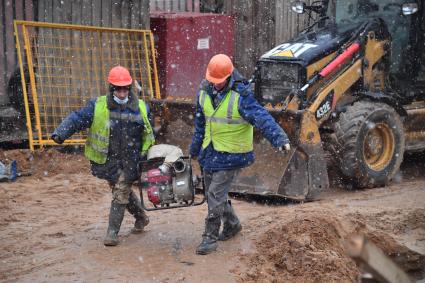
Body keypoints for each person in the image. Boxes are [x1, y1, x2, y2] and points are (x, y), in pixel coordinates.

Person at [190, 54, 291, 255]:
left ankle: (209, 238)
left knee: (215, 194)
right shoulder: (203, 93)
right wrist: (194, 148)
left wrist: (279, 138)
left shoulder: (241, 96)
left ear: (229, 77)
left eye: (220, 82)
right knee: (213, 193)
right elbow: (201, 125)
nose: (216, 85)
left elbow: (262, 117)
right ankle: (232, 224)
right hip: (211, 152)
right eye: (213, 82)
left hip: (233, 155)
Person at [51, 66, 155, 246]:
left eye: (125, 89)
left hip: (131, 161)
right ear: (111, 88)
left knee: (120, 192)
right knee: (120, 190)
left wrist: (145, 156)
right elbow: (77, 118)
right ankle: (141, 217)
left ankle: (112, 233)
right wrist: (61, 132)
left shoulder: (141, 108)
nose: (122, 93)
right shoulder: (98, 106)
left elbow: (148, 133)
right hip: (109, 161)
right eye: (118, 89)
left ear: (129, 88)